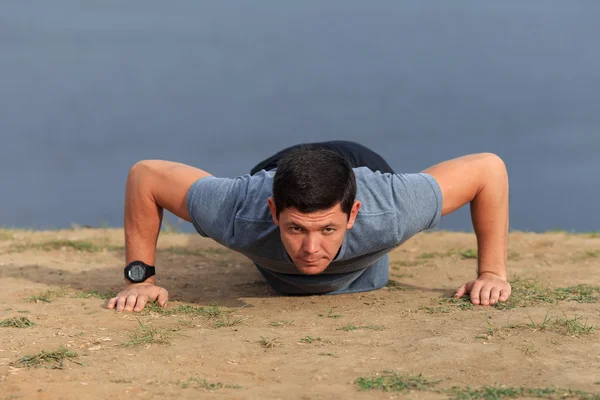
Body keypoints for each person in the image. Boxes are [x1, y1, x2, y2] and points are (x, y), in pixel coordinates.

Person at [107, 141, 511, 313]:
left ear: (352, 216)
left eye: (328, 230)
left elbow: (487, 169)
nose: (311, 248)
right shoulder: (238, 211)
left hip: (357, 163)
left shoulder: (391, 209)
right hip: (281, 166)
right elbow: (147, 177)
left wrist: (491, 273)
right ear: (273, 212)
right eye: (297, 229)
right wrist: (139, 279)